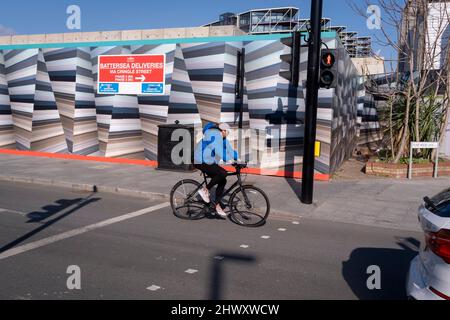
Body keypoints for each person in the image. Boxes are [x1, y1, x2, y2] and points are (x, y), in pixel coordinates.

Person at [194, 122, 239, 218]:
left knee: (223, 179)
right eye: (228, 132)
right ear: (223, 131)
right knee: (223, 173)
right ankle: (205, 190)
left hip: (209, 161)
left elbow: (230, 150)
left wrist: (239, 160)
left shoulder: (222, 138)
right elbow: (218, 149)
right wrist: (229, 160)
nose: (228, 134)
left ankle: (216, 204)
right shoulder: (213, 134)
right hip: (199, 160)